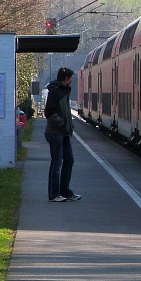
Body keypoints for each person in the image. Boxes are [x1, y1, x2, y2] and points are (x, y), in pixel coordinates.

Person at [44, 67, 80, 202]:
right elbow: (49, 112)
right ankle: (54, 194)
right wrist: (62, 124)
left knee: (69, 161)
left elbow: (64, 113)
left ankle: (65, 191)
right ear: (65, 78)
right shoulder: (55, 92)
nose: (72, 80)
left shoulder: (64, 92)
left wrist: (68, 126)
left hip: (64, 133)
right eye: (71, 78)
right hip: (55, 133)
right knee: (57, 163)